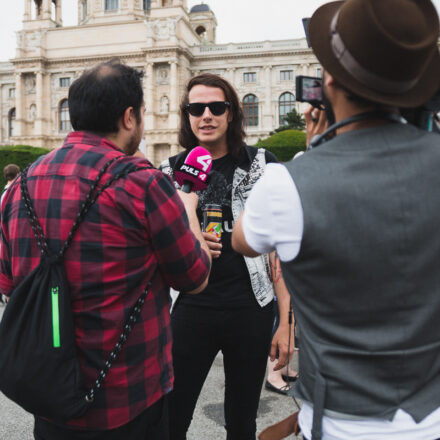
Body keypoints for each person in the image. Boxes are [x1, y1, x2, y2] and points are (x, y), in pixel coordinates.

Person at [232, 1, 440, 439]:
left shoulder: (287, 182)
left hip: (338, 422)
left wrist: (315, 148)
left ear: (329, 81)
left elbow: (242, 240)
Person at [0, 59, 211, 440]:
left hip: (48, 395)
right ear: (130, 117)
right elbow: (194, 277)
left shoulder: (19, 187)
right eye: (144, 114)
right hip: (127, 400)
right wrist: (192, 216)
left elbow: (8, 282)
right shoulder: (144, 185)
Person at [159, 73, 293, 440]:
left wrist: (285, 322)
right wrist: (188, 236)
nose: (206, 115)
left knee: (241, 420)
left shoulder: (263, 164)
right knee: (171, 417)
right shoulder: (168, 173)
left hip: (251, 307)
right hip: (188, 307)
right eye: (196, 108)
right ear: (186, 116)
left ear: (231, 113)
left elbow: (280, 249)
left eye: (216, 107)